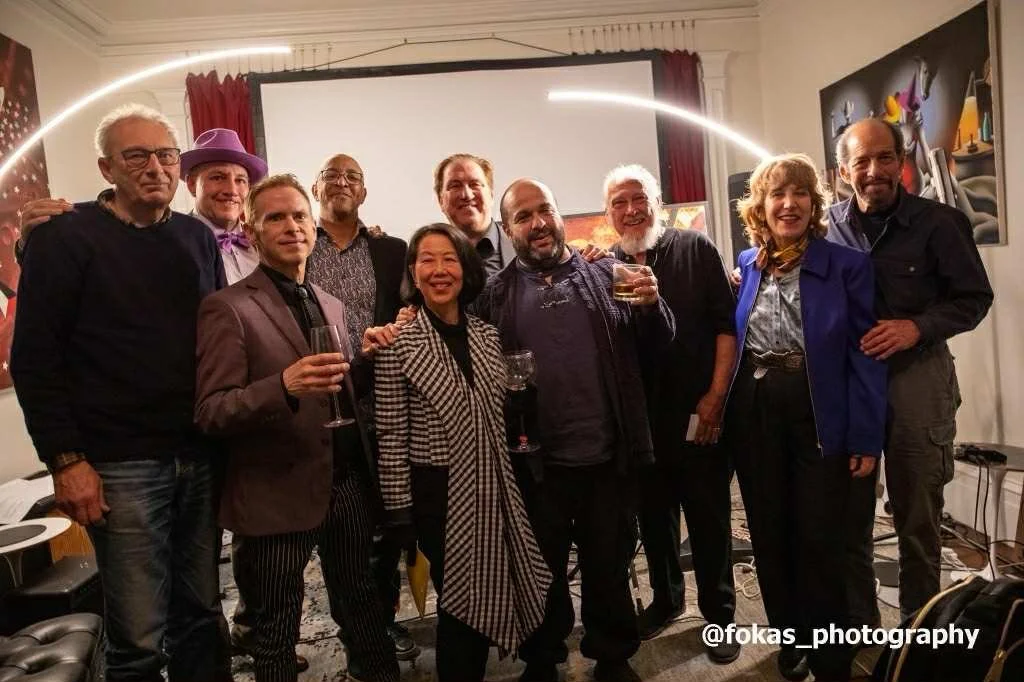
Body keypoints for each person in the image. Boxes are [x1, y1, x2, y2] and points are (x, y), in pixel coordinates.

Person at [11, 103, 231, 682]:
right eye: (137, 156)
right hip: (119, 464)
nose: (155, 167)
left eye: (165, 155)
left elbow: (217, 342)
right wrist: (67, 461)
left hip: (197, 456)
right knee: (137, 636)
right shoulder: (63, 236)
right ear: (107, 168)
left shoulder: (195, 238)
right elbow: (33, 360)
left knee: (203, 616)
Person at [194, 173, 399, 682]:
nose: (291, 226)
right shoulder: (228, 307)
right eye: (275, 217)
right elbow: (212, 411)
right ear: (252, 229)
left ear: (313, 226)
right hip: (275, 494)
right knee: (276, 633)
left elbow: (338, 390)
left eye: (299, 216)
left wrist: (367, 360)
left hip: (345, 483)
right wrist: (281, 385)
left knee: (365, 610)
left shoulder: (328, 302)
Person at [474, 178, 674, 682]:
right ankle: (544, 659)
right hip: (536, 465)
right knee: (541, 572)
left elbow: (657, 345)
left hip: (609, 457)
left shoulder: (608, 273)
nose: (537, 222)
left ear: (561, 216)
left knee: (608, 564)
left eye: (545, 210)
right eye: (523, 216)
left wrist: (653, 305)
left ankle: (612, 655)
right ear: (507, 229)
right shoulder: (494, 298)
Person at [727, 153, 886, 682]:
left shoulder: (847, 266)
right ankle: (789, 639)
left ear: (814, 204)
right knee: (769, 533)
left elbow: (865, 355)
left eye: (799, 194)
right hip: (756, 408)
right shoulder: (748, 265)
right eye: (777, 194)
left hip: (820, 410)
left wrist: (866, 434)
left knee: (821, 539)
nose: (788, 203)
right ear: (761, 206)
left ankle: (831, 654)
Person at [828, 118, 994, 621]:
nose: (874, 170)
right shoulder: (826, 227)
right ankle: (861, 631)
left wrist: (916, 328)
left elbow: (975, 298)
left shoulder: (940, 223)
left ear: (902, 161)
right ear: (843, 171)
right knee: (848, 518)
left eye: (884, 158)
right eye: (862, 161)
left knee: (918, 521)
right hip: (851, 386)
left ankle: (918, 640)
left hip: (917, 379)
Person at [374, 222, 551, 681]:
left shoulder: (487, 336)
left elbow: (500, 412)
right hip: (439, 495)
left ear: (465, 269)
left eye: (448, 259)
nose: (438, 270)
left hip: (498, 482)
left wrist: (519, 407)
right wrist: (399, 513)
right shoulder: (398, 345)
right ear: (412, 272)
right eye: (426, 260)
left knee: (513, 576)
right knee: (458, 602)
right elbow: (390, 434)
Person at [604, 164, 739, 661]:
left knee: (709, 520)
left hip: (700, 415)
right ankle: (665, 600)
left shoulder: (694, 249)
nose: (631, 209)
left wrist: (715, 398)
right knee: (656, 523)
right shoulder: (605, 269)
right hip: (642, 427)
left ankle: (721, 616)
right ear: (608, 213)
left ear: (657, 202)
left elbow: (727, 327)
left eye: (639, 198)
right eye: (619, 202)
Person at [306, 152, 416, 664]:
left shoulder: (392, 249)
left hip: (383, 402)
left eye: (353, 177)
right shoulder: (299, 245)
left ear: (365, 193)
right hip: (321, 405)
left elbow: (412, 309)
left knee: (388, 522)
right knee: (343, 534)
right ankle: (355, 633)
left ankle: (383, 622)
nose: (342, 182)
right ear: (315, 189)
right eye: (332, 175)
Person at [434, 153, 514, 277]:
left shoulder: (523, 243)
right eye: (455, 186)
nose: (466, 195)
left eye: (475, 184)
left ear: (491, 195)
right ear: (441, 200)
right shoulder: (425, 258)